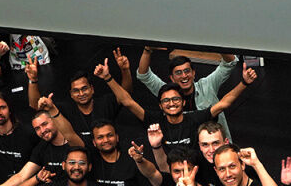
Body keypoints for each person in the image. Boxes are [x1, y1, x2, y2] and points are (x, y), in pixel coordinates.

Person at [98, 59, 256, 150]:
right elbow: (128, 102)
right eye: (166, 101)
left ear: (183, 102)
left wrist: (244, 83)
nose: (171, 103)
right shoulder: (156, 119)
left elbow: (223, 104)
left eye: (175, 99)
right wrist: (108, 78)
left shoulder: (195, 118)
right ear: (160, 105)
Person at [26, 46, 131, 148]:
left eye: (84, 88)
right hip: (79, 156)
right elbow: (36, 106)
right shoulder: (65, 110)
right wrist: (33, 80)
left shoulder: (105, 103)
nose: (81, 93)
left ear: (92, 89)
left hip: (108, 150)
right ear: (71, 94)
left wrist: (125, 70)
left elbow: (126, 96)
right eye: (76, 91)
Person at [136, 47, 240, 138]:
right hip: (186, 150)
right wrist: (147, 51)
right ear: (172, 78)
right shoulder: (167, 92)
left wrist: (218, 43)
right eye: (178, 73)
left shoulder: (207, 85)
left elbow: (229, 64)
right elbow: (144, 75)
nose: (184, 76)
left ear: (193, 73)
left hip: (216, 145)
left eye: (187, 71)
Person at [89, 120, 160, 186]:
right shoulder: (91, 162)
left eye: (110, 135)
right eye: (100, 137)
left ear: (117, 137)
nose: (106, 140)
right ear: (94, 142)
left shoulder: (131, 159)